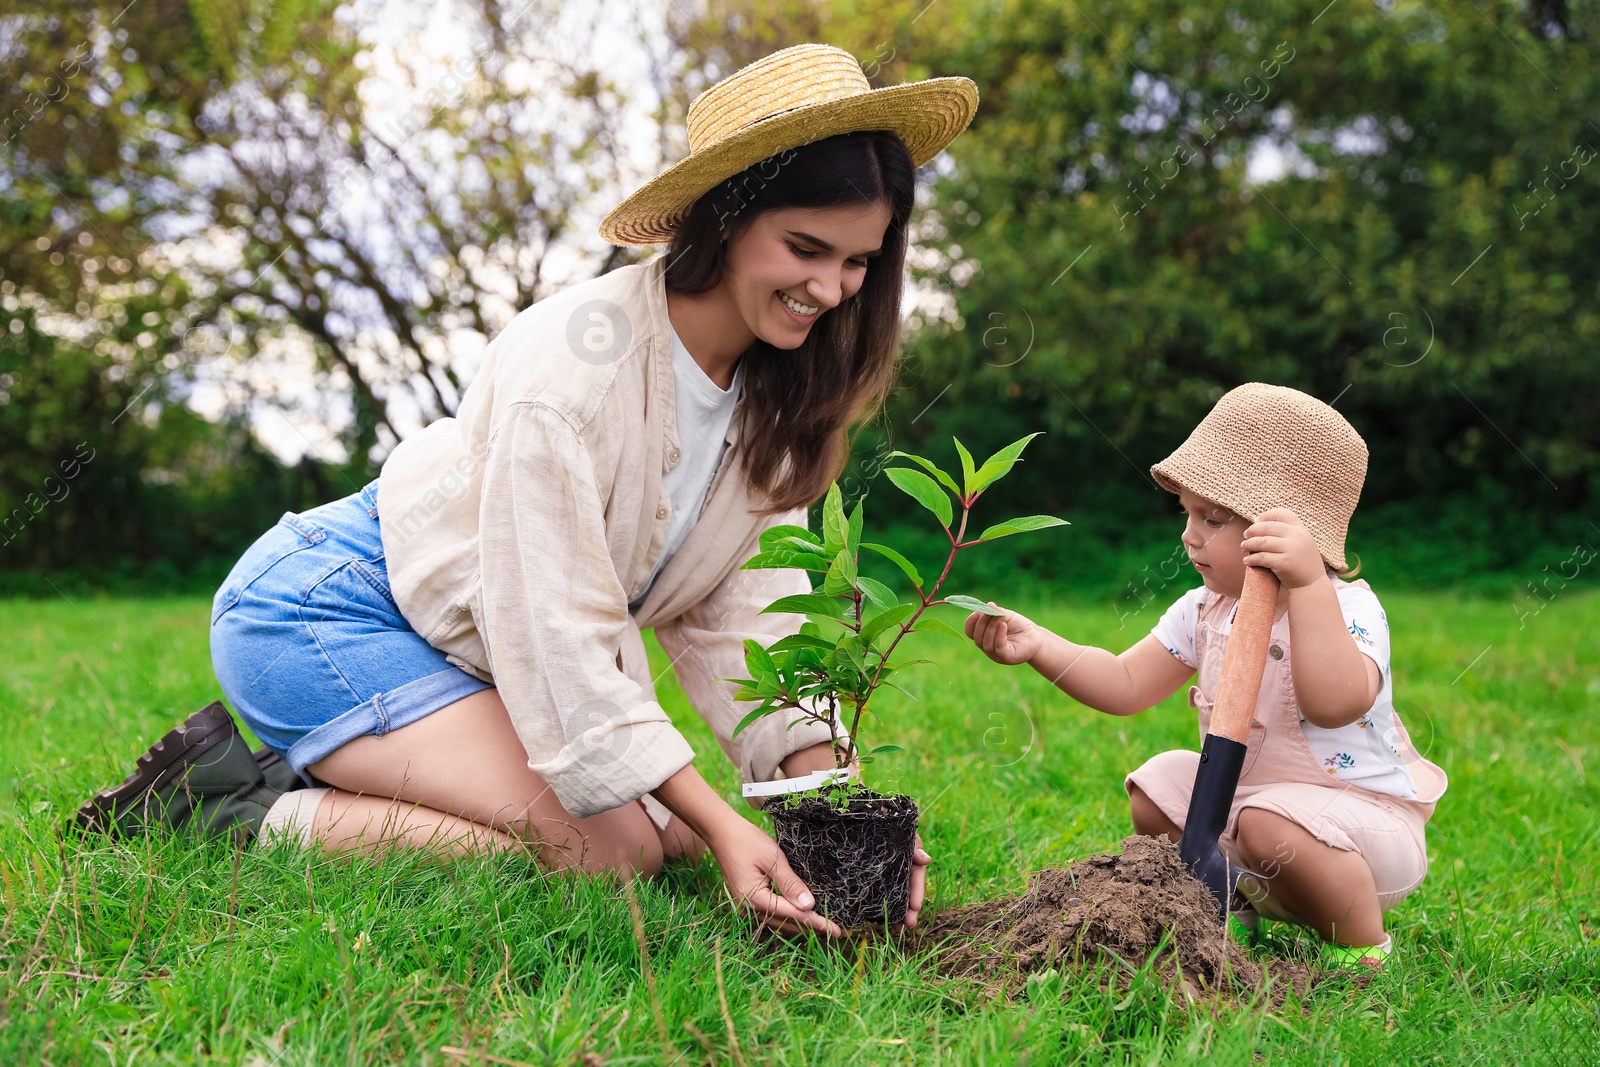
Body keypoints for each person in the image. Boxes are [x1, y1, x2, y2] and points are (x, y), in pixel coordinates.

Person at [73, 43, 979, 940]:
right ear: (728, 216)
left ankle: (364, 775)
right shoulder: (574, 369)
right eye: (805, 247)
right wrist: (717, 816)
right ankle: (222, 806)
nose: (830, 289)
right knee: (618, 852)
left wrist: (830, 809)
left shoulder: (778, 393)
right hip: (324, 612)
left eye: (859, 261)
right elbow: (554, 632)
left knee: (662, 832)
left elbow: (752, 618)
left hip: (468, 647)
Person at [963, 383, 1448, 968]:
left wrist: (1309, 587)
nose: (1189, 535)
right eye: (1188, 514)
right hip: (1247, 817)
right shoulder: (1204, 609)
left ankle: (1364, 947)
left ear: (1293, 532)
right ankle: (1221, 907)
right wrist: (1041, 646)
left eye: (1213, 519)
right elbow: (1123, 682)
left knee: (1268, 823)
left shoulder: (1346, 609)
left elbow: (1336, 702)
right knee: (1158, 786)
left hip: (1364, 835)